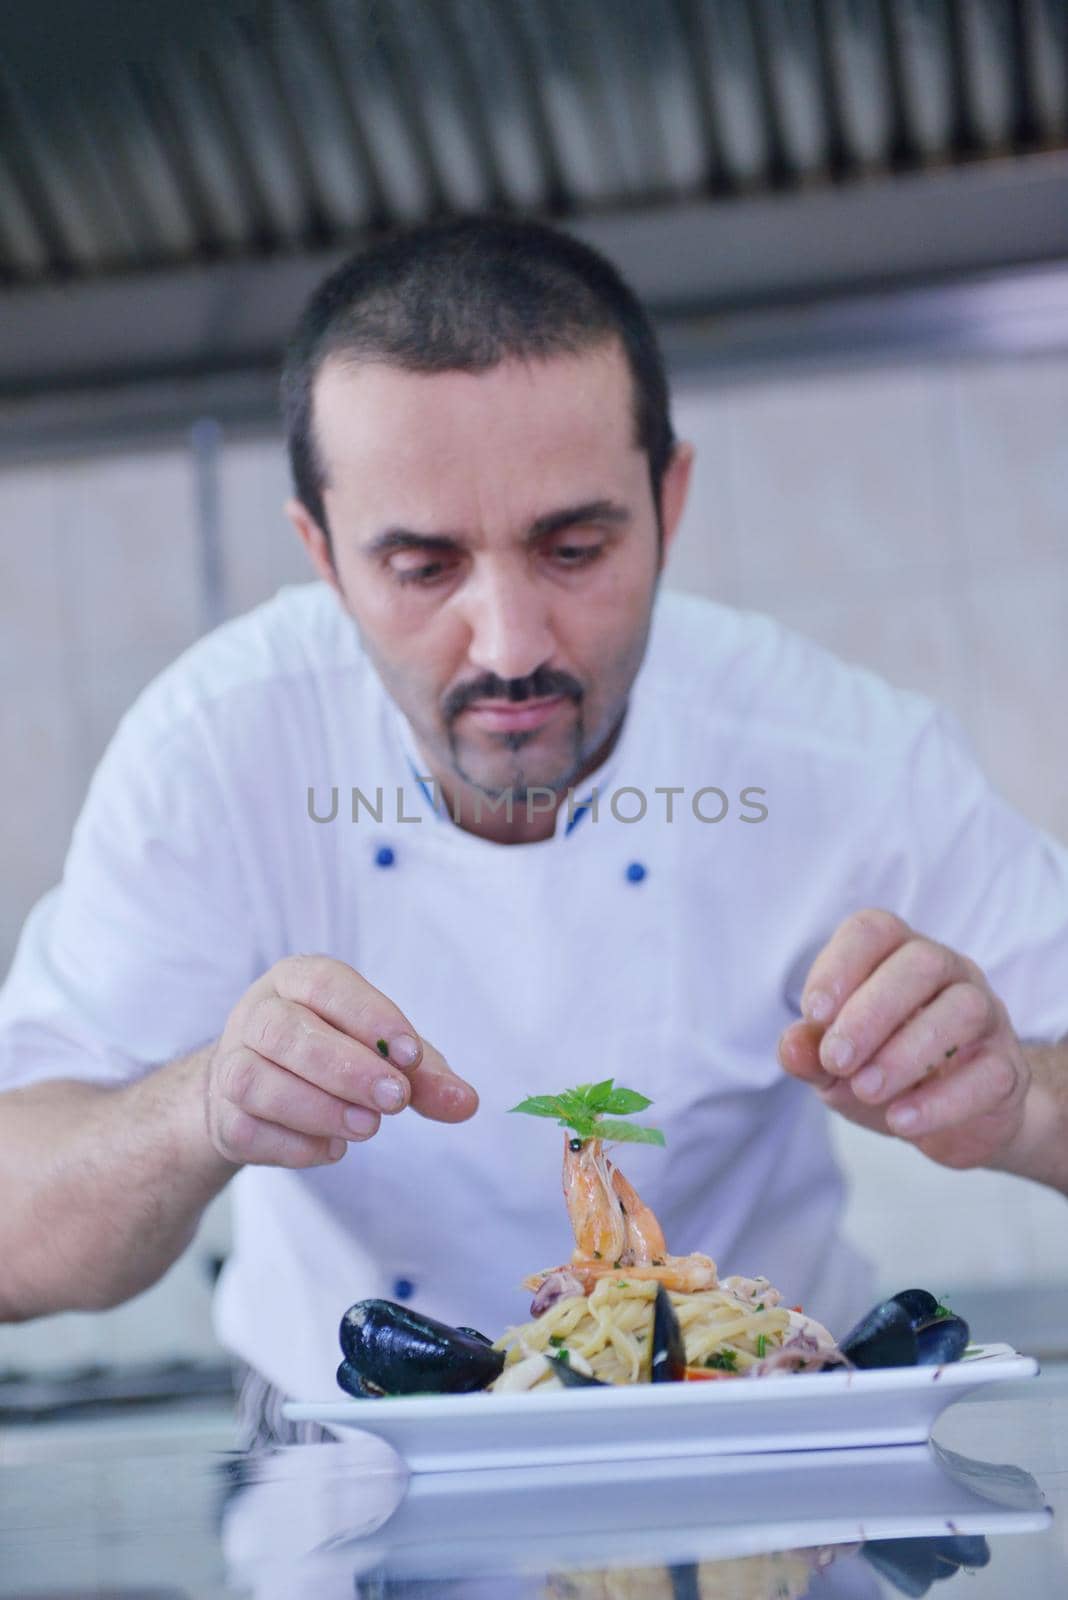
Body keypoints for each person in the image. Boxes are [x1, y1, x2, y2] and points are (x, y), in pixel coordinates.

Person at [1, 217, 1066, 1443]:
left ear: (668, 500)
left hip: (761, 1441)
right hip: (344, 1469)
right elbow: (15, 1249)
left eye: (573, 547)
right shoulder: (214, 752)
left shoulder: (842, 757)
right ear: (322, 554)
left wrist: (1024, 1103)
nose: (508, 645)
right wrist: (197, 1108)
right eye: (421, 565)